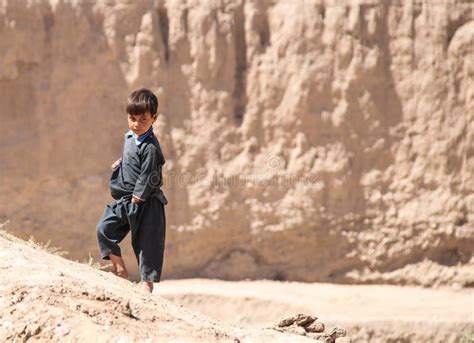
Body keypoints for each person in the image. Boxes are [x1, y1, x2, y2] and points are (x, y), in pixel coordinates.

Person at [96, 88, 168, 294]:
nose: (136, 124)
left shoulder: (151, 147)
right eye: (132, 118)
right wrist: (120, 162)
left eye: (143, 119)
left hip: (144, 202)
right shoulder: (129, 137)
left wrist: (139, 196)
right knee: (104, 228)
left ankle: (147, 284)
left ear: (154, 118)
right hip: (125, 199)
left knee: (147, 242)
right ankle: (119, 270)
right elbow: (131, 156)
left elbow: (150, 172)